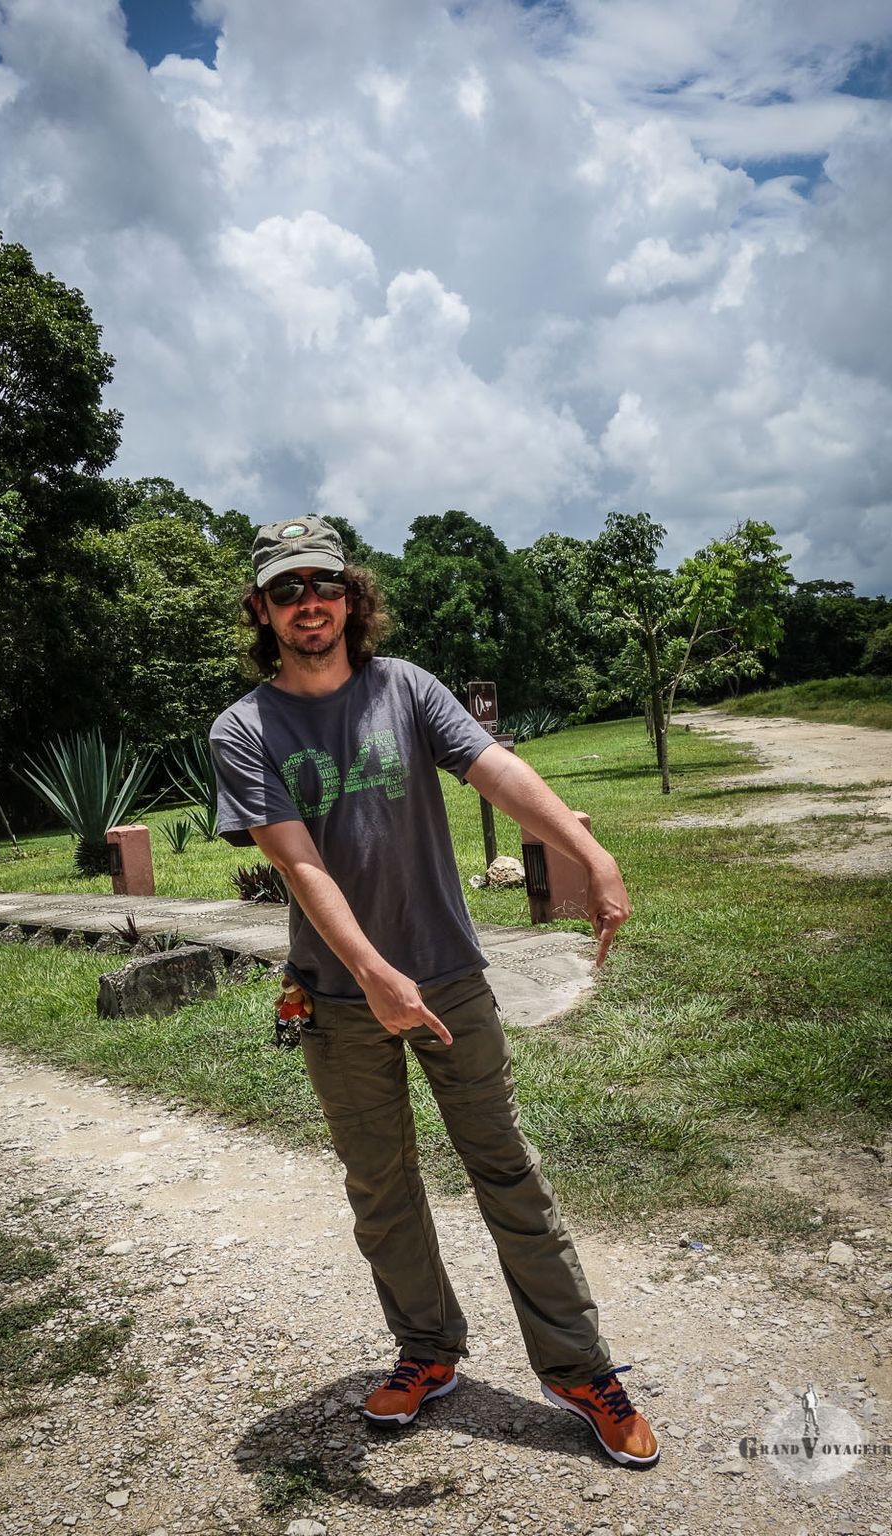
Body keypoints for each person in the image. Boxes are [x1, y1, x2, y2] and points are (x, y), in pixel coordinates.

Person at [209, 516, 659, 1469]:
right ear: (261, 609)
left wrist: (590, 849)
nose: (307, 603)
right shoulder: (245, 728)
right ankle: (427, 1352)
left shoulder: (405, 688)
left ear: (349, 593)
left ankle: (581, 1371)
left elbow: (494, 770)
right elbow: (300, 868)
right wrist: (372, 976)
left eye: (321, 584)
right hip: (337, 998)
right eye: (285, 591)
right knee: (381, 1187)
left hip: (450, 980)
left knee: (506, 1169)